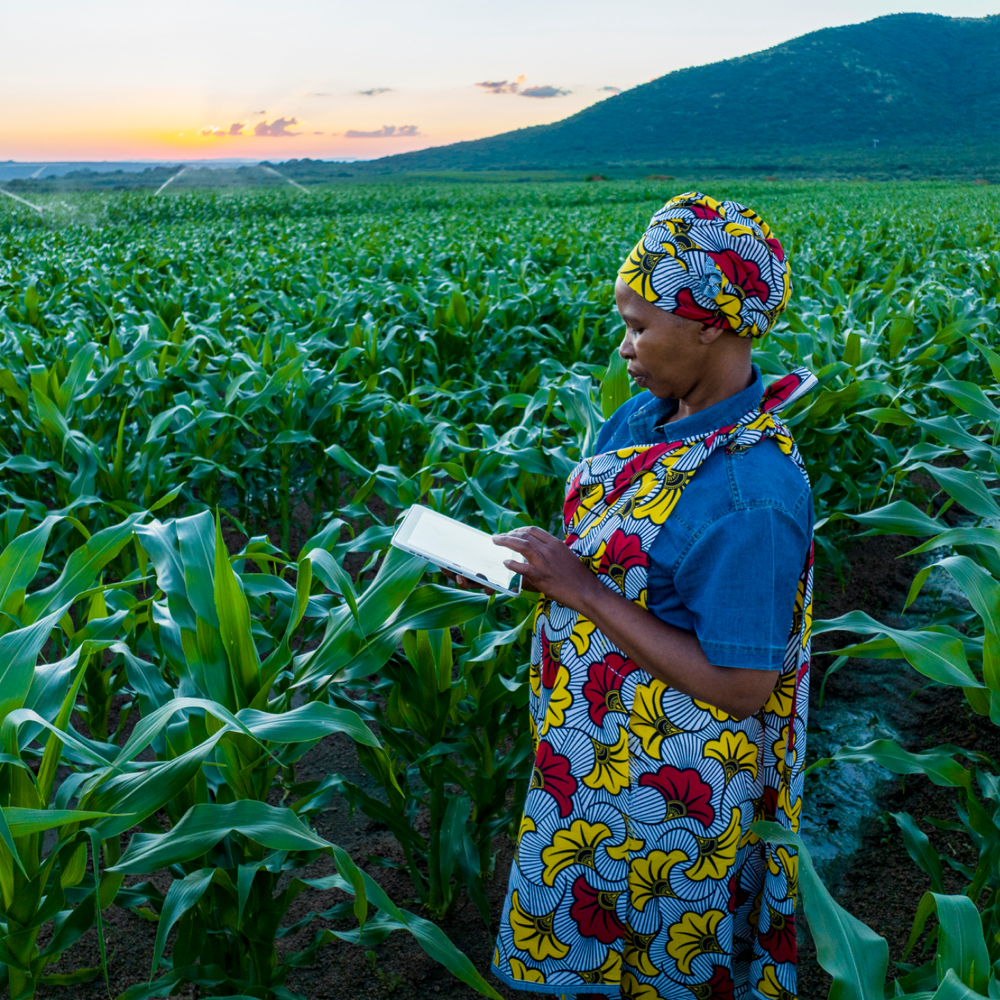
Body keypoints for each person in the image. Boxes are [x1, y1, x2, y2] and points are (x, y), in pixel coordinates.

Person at [458, 192, 814, 999]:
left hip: (674, 800)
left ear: (712, 324)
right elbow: (606, 561)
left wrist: (578, 588)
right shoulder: (645, 418)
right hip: (590, 758)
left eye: (640, 326)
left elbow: (740, 687)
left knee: (657, 966)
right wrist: (521, 567)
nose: (624, 346)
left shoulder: (748, 495)